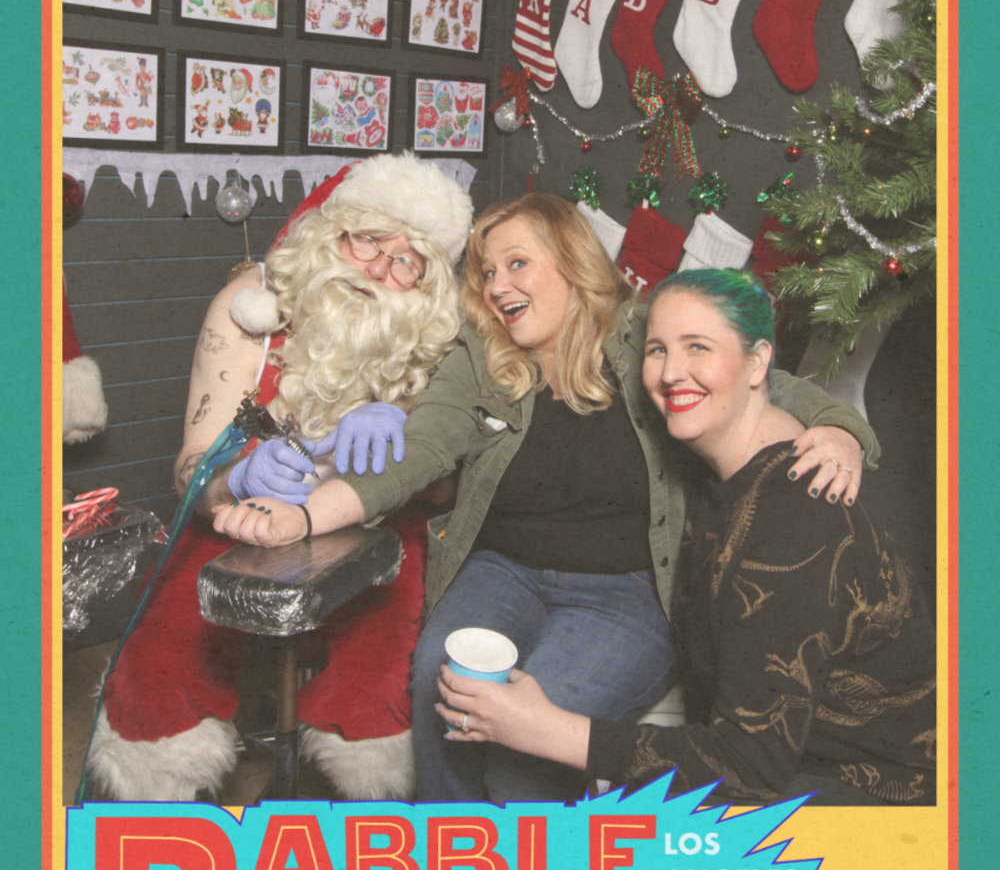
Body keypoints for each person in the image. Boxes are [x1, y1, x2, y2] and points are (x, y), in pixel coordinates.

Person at [213, 197, 881, 806]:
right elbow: (420, 452)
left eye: (517, 264)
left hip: (627, 591)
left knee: (526, 749)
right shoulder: (480, 353)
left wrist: (841, 432)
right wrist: (303, 516)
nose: (497, 285)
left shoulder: (645, 334)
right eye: (486, 272)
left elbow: (772, 384)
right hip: (502, 573)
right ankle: (449, 859)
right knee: (442, 688)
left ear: (571, 261)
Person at [437, 268, 935, 807]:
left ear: (758, 362)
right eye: (657, 350)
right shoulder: (724, 473)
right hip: (787, 768)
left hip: (869, 802)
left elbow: (749, 768)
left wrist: (547, 729)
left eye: (698, 347)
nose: (672, 373)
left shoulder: (792, 524)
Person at [86, 152, 472, 802]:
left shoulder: (438, 343)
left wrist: (405, 439)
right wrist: (235, 476)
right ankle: (152, 814)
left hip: (376, 527)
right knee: (161, 664)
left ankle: (354, 824)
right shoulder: (246, 312)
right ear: (330, 232)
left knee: (376, 683)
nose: (379, 268)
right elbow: (188, 470)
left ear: (428, 285)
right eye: (367, 240)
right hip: (242, 520)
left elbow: (449, 490)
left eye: (408, 261)